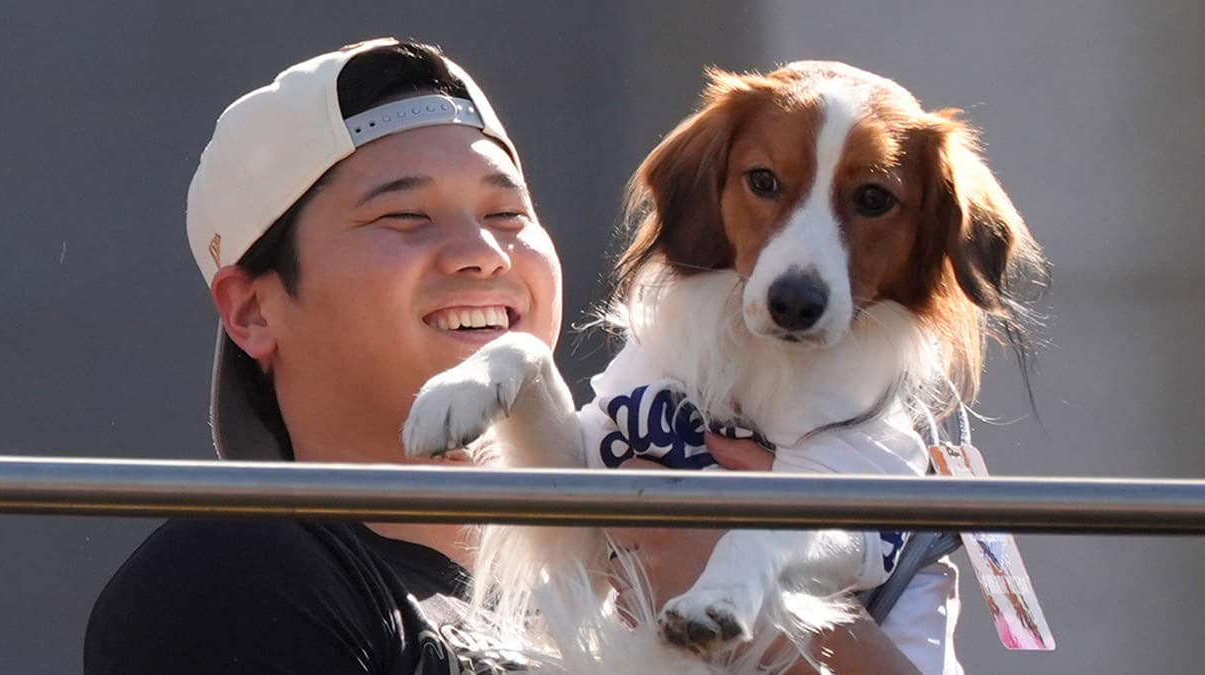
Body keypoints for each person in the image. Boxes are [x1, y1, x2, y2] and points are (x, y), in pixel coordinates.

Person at [83, 37, 956, 674]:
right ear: (251, 308)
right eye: (404, 217)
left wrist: (783, 593)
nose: (484, 254)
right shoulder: (239, 574)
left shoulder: (639, 546)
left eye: (508, 216)